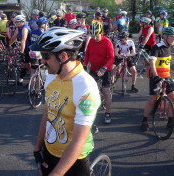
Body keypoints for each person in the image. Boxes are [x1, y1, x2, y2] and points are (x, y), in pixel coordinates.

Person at [30, 27, 100, 176]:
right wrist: (38, 146)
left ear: (63, 56)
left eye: (46, 56)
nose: (42, 61)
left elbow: (78, 141)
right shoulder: (51, 76)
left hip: (75, 158)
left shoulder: (85, 86)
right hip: (50, 150)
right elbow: (48, 113)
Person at [140, 27, 174, 132]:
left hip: (167, 76)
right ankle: (144, 121)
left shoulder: (169, 46)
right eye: (172, 36)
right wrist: (156, 77)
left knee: (173, 98)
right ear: (165, 37)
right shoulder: (157, 47)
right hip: (156, 76)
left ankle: (170, 123)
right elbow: (152, 63)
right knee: (152, 99)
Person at [84, 21, 114, 124]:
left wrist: (104, 68)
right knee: (91, 92)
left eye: (96, 36)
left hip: (105, 69)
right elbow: (87, 54)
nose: (94, 38)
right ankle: (90, 112)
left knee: (106, 92)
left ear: (101, 33)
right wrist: (84, 65)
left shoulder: (107, 42)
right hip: (93, 68)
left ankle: (108, 113)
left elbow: (111, 58)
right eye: (92, 36)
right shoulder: (92, 41)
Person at [9, 15, 31, 85]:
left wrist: (22, 51)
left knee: (28, 64)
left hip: (29, 48)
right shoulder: (20, 28)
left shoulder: (25, 28)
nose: (15, 24)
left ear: (21, 22)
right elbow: (14, 37)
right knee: (24, 64)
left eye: (16, 22)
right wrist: (8, 45)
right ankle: (21, 79)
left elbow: (23, 40)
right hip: (25, 48)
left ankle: (31, 81)